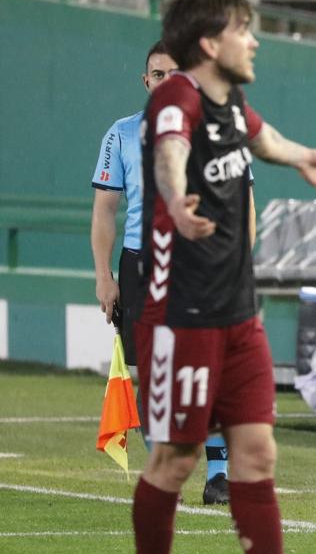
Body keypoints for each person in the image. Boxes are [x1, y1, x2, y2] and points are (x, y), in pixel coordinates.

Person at [131, 0, 316, 554]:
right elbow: (170, 153)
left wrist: (304, 156)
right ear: (209, 44)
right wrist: (173, 200)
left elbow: (264, 137)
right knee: (175, 458)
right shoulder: (176, 98)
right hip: (183, 316)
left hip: (238, 315)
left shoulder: (230, 104)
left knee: (257, 455)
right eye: (244, 31)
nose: (253, 42)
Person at [91, 41, 248, 507]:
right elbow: (104, 212)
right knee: (148, 377)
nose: (166, 82)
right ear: (147, 82)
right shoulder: (121, 135)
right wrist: (104, 275)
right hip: (141, 264)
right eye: (157, 75)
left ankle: (218, 475)